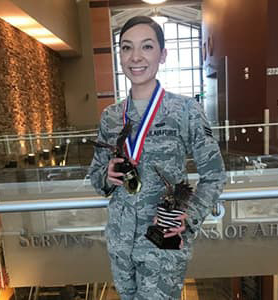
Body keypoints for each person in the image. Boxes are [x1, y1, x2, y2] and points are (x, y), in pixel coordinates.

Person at [89, 16, 226, 300]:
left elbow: (214, 175)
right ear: (120, 56)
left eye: (147, 47)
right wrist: (107, 175)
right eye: (127, 48)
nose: (136, 57)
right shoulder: (112, 116)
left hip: (162, 239)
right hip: (120, 240)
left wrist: (190, 218)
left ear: (162, 55)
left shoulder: (186, 110)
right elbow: (96, 178)